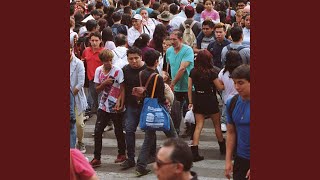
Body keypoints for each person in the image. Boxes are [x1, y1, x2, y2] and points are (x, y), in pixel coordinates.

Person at [135, 49, 178, 177]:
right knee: (173, 134)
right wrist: (167, 101)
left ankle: (141, 166)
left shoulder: (142, 73)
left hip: (147, 108)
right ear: (156, 61)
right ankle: (181, 159)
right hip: (158, 108)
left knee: (148, 138)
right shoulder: (157, 77)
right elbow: (160, 96)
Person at [90, 49, 127, 168]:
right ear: (102, 61)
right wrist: (104, 83)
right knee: (97, 131)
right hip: (103, 105)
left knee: (118, 130)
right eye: (106, 61)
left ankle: (122, 153)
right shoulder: (98, 71)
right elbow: (96, 89)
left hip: (115, 105)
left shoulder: (117, 71)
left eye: (111, 60)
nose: (109, 63)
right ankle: (97, 157)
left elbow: (122, 88)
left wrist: (120, 103)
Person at [188, 49, 225, 162]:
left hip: (198, 99)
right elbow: (220, 87)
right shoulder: (212, 72)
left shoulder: (193, 72)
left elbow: (189, 87)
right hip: (210, 100)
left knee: (199, 125)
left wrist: (190, 101)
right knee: (217, 125)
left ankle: (194, 151)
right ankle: (222, 148)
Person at [120, 47, 147, 170]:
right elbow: (123, 87)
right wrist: (121, 102)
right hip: (131, 105)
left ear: (141, 57)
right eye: (131, 59)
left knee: (149, 131)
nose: (134, 61)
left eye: (136, 58)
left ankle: (150, 155)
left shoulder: (148, 68)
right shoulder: (125, 69)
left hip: (146, 105)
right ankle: (130, 158)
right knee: (129, 131)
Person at [166, 30, 194, 136]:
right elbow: (168, 66)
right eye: (171, 39)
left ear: (181, 39)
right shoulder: (169, 51)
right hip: (175, 87)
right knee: (174, 110)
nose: (172, 42)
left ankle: (189, 129)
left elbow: (182, 69)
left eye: (174, 39)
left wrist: (172, 83)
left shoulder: (187, 50)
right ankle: (175, 131)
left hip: (187, 86)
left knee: (188, 110)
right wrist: (168, 79)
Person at [225, 64, 250, 180]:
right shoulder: (232, 103)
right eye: (234, 83)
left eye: (240, 83)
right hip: (241, 159)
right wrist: (228, 160)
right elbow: (231, 132)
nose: (236, 87)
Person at [218, 50, 243, 133]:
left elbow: (221, 86)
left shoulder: (222, 72)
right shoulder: (242, 72)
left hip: (227, 100)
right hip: (240, 100)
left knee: (228, 123)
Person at [81, 31, 104, 115]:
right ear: (89, 41)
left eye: (96, 40)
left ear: (100, 41)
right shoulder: (86, 51)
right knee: (95, 101)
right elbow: (83, 60)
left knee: (101, 101)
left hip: (102, 81)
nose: (94, 43)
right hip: (91, 80)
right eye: (92, 40)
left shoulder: (104, 52)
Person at [70, 44, 88, 153]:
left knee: (78, 123)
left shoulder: (79, 63)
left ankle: (80, 141)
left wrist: (70, 95)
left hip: (76, 96)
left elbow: (80, 83)